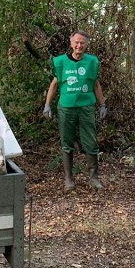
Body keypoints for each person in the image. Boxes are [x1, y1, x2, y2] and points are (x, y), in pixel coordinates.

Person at [43, 31, 107, 191]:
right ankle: (69, 179)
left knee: (91, 142)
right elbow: (54, 84)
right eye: (76, 42)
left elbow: (96, 85)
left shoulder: (92, 62)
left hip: (86, 107)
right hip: (66, 107)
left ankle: (94, 178)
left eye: (82, 43)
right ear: (71, 44)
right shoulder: (61, 62)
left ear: (86, 45)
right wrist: (47, 104)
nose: (79, 46)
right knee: (67, 143)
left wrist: (103, 104)